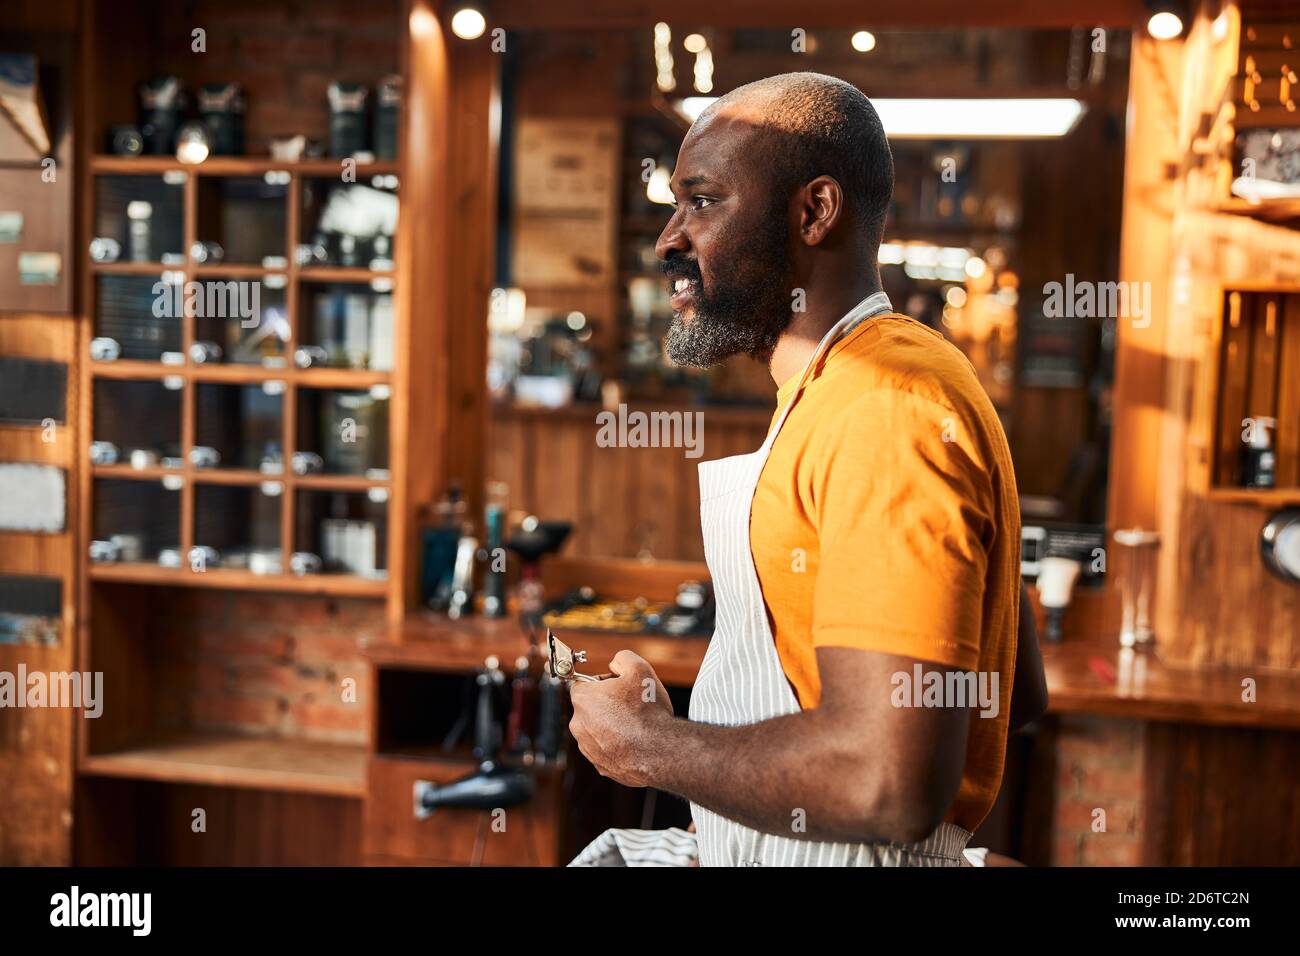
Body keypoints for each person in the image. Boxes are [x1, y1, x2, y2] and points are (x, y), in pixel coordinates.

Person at [568, 72, 1047, 867]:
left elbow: (885, 785)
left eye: (704, 201)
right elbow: (1010, 691)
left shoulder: (883, 407)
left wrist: (654, 747)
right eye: (673, 205)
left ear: (814, 212)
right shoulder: (863, 382)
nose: (669, 239)